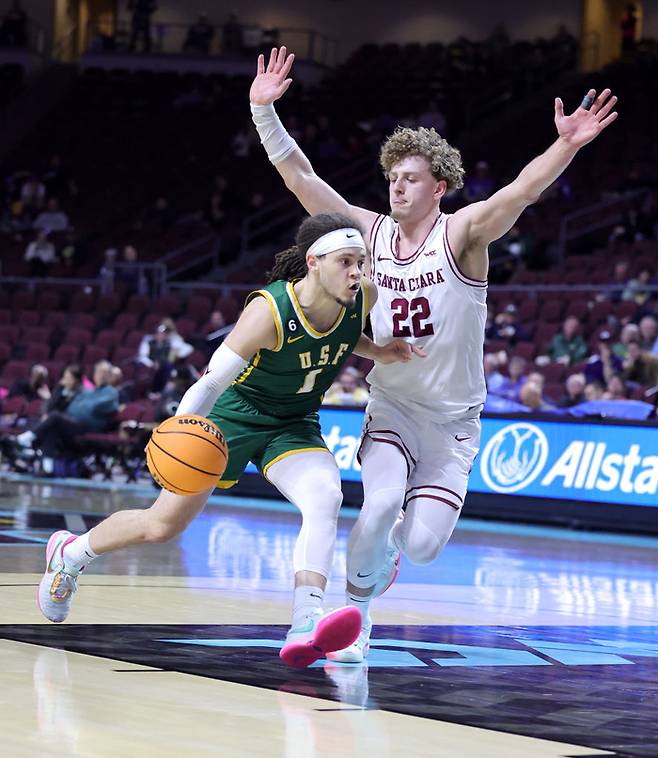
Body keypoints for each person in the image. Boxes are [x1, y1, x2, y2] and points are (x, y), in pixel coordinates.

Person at [248, 46, 619, 661]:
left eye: (410, 177)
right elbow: (302, 181)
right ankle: (355, 618)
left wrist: (568, 144)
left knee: (419, 547)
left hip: (453, 423)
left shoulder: (464, 234)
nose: (396, 186)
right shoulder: (370, 233)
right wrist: (265, 114)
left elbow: (522, 192)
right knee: (379, 505)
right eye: (392, 177)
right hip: (393, 406)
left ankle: (383, 566)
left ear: (439, 187)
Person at [36, 212, 423, 669]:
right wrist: (178, 432)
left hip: (293, 423)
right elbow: (209, 385)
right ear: (314, 262)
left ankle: (305, 622)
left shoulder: (362, 296)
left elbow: (342, 337)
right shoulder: (269, 311)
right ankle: (71, 554)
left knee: (324, 496)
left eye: (362, 261)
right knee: (163, 526)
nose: (358, 272)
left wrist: (378, 350)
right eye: (346, 261)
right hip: (232, 418)